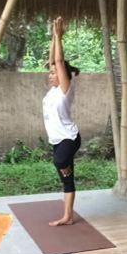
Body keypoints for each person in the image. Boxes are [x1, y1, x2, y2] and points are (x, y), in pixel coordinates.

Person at [43, 16, 81, 226]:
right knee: (66, 180)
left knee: (59, 162)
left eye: (53, 73)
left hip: (69, 137)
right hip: (57, 140)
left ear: (62, 74)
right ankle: (68, 216)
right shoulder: (53, 91)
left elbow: (57, 61)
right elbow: (52, 61)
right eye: (49, 73)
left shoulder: (65, 90)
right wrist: (53, 37)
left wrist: (59, 38)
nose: (50, 75)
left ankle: (65, 166)